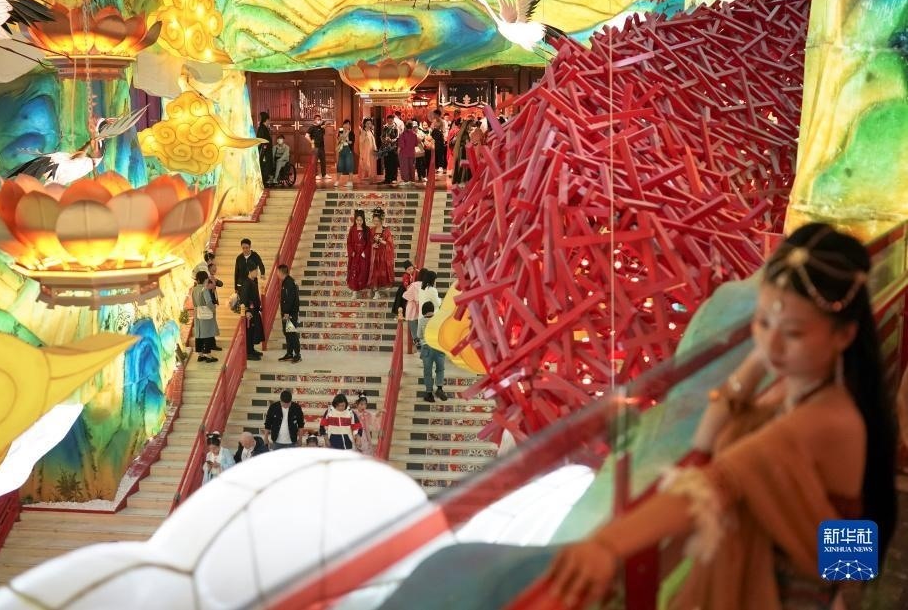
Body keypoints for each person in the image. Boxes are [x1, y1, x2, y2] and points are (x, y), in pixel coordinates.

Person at [378, 223, 899, 610]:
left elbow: (713, 481)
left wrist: (608, 545)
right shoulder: (811, 391)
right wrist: (761, 359)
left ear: (845, 335)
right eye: (762, 323)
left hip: (786, 586)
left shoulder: (827, 420)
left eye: (794, 332)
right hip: (805, 564)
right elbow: (718, 436)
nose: (772, 344)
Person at [419, 301, 448, 403]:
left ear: (424, 311)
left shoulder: (422, 321)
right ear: (432, 310)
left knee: (428, 372)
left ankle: (429, 394)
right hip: (438, 346)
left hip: (426, 348)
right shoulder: (438, 320)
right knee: (440, 369)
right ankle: (439, 388)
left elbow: (419, 335)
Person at [191, 270, 219, 363]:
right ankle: (208, 355)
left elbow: (194, 303)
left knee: (198, 334)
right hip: (206, 314)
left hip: (197, 313)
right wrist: (213, 309)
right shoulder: (204, 289)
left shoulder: (194, 289)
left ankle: (200, 355)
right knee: (208, 333)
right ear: (205, 279)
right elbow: (209, 302)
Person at [367, 208, 395, 300]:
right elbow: (369, 242)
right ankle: (376, 291)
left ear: (381, 220)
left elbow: (390, 244)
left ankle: (378, 290)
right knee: (374, 273)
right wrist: (373, 245)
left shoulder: (386, 231)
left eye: (377, 221)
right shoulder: (372, 230)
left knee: (380, 273)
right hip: (374, 254)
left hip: (383, 255)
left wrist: (381, 240)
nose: (376, 223)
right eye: (374, 221)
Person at [239, 264, 264, 361]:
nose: (257, 272)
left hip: (254, 311)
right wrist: (247, 311)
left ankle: (251, 349)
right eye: (255, 270)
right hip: (249, 312)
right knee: (249, 332)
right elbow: (243, 298)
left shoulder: (253, 281)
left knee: (253, 331)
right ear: (250, 271)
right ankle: (248, 352)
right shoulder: (246, 283)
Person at [278, 264, 302, 362]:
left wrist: (286, 312)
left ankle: (297, 354)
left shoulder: (289, 283)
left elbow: (290, 299)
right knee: (287, 333)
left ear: (281, 272)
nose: (277, 274)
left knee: (291, 333)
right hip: (287, 313)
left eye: (278, 272)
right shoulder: (286, 282)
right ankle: (289, 353)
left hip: (290, 314)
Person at [346, 209, 371, 295]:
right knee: (354, 271)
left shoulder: (367, 229)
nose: (359, 222)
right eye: (357, 220)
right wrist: (351, 251)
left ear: (363, 220)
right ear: (355, 220)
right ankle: (354, 291)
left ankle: (362, 287)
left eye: (361, 220)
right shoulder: (352, 229)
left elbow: (369, 243)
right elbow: (349, 242)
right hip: (355, 254)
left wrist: (365, 252)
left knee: (363, 271)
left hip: (363, 254)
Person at [397, 121, 421, 187]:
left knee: (404, 166)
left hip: (404, 153)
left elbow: (401, 145)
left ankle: (406, 180)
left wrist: (398, 151)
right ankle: (412, 180)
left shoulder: (403, 134)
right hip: (412, 153)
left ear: (405, 126)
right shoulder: (414, 134)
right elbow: (416, 144)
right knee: (412, 167)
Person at [305, 113, 328, 181]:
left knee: (323, 161)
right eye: (317, 119)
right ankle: (315, 174)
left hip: (321, 146)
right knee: (314, 161)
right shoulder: (312, 127)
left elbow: (325, 124)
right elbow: (306, 136)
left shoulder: (321, 127)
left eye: (319, 119)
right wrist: (311, 142)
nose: (319, 120)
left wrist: (323, 125)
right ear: (314, 120)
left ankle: (324, 174)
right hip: (315, 147)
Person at [380, 115, 400, 185]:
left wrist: (391, 140)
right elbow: (382, 136)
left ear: (393, 120)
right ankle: (387, 178)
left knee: (394, 163)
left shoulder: (396, 128)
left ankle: (394, 178)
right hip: (386, 148)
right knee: (387, 163)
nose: (389, 122)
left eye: (391, 120)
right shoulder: (385, 127)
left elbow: (397, 138)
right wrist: (384, 140)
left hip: (393, 148)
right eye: (388, 120)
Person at [336, 119, 355, 188]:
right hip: (341, 149)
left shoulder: (351, 133)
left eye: (348, 124)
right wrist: (340, 137)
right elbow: (338, 140)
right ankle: (337, 181)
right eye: (345, 124)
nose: (346, 126)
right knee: (340, 165)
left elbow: (351, 142)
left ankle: (350, 182)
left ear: (349, 126)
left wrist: (345, 139)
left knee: (350, 166)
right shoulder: (341, 131)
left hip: (348, 150)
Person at [358, 118, 377, 184]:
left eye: (370, 123)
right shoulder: (364, 132)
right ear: (364, 124)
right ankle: (365, 179)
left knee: (371, 164)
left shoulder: (370, 131)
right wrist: (361, 153)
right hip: (365, 151)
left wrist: (375, 149)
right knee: (366, 164)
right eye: (367, 123)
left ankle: (370, 178)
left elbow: (373, 142)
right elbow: (361, 142)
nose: (369, 125)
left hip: (371, 151)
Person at [256, 110, 272, 184]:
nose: (269, 122)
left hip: (265, 149)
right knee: (264, 165)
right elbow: (262, 140)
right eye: (269, 120)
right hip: (264, 150)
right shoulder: (262, 128)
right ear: (267, 120)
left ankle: (265, 179)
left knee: (266, 164)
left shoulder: (263, 127)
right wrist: (264, 149)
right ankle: (264, 181)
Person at [431, 109, 448, 175]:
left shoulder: (442, 122)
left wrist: (444, 139)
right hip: (434, 138)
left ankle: (440, 166)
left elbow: (443, 131)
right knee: (435, 152)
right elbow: (431, 129)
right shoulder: (434, 121)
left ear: (438, 115)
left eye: (435, 114)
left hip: (440, 139)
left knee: (440, 153)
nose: (434, 115)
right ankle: (436, 166)